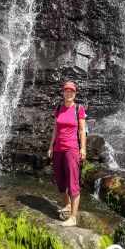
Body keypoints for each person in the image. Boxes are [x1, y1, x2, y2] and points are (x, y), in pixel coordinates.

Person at [48, 80, 86, 227]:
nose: (68, 93)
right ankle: (68, 205)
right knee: (61, 180)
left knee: (73, 183)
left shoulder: (79, 109)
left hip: (72, 149)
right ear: (63, 92)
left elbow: (82, 131)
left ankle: (73, 217)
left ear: (75, 94)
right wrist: (51, 146)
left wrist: (83, 149)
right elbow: (55, 129)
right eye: (66, 90)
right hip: (58, 149)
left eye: (71, 91)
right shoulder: (58, 108)